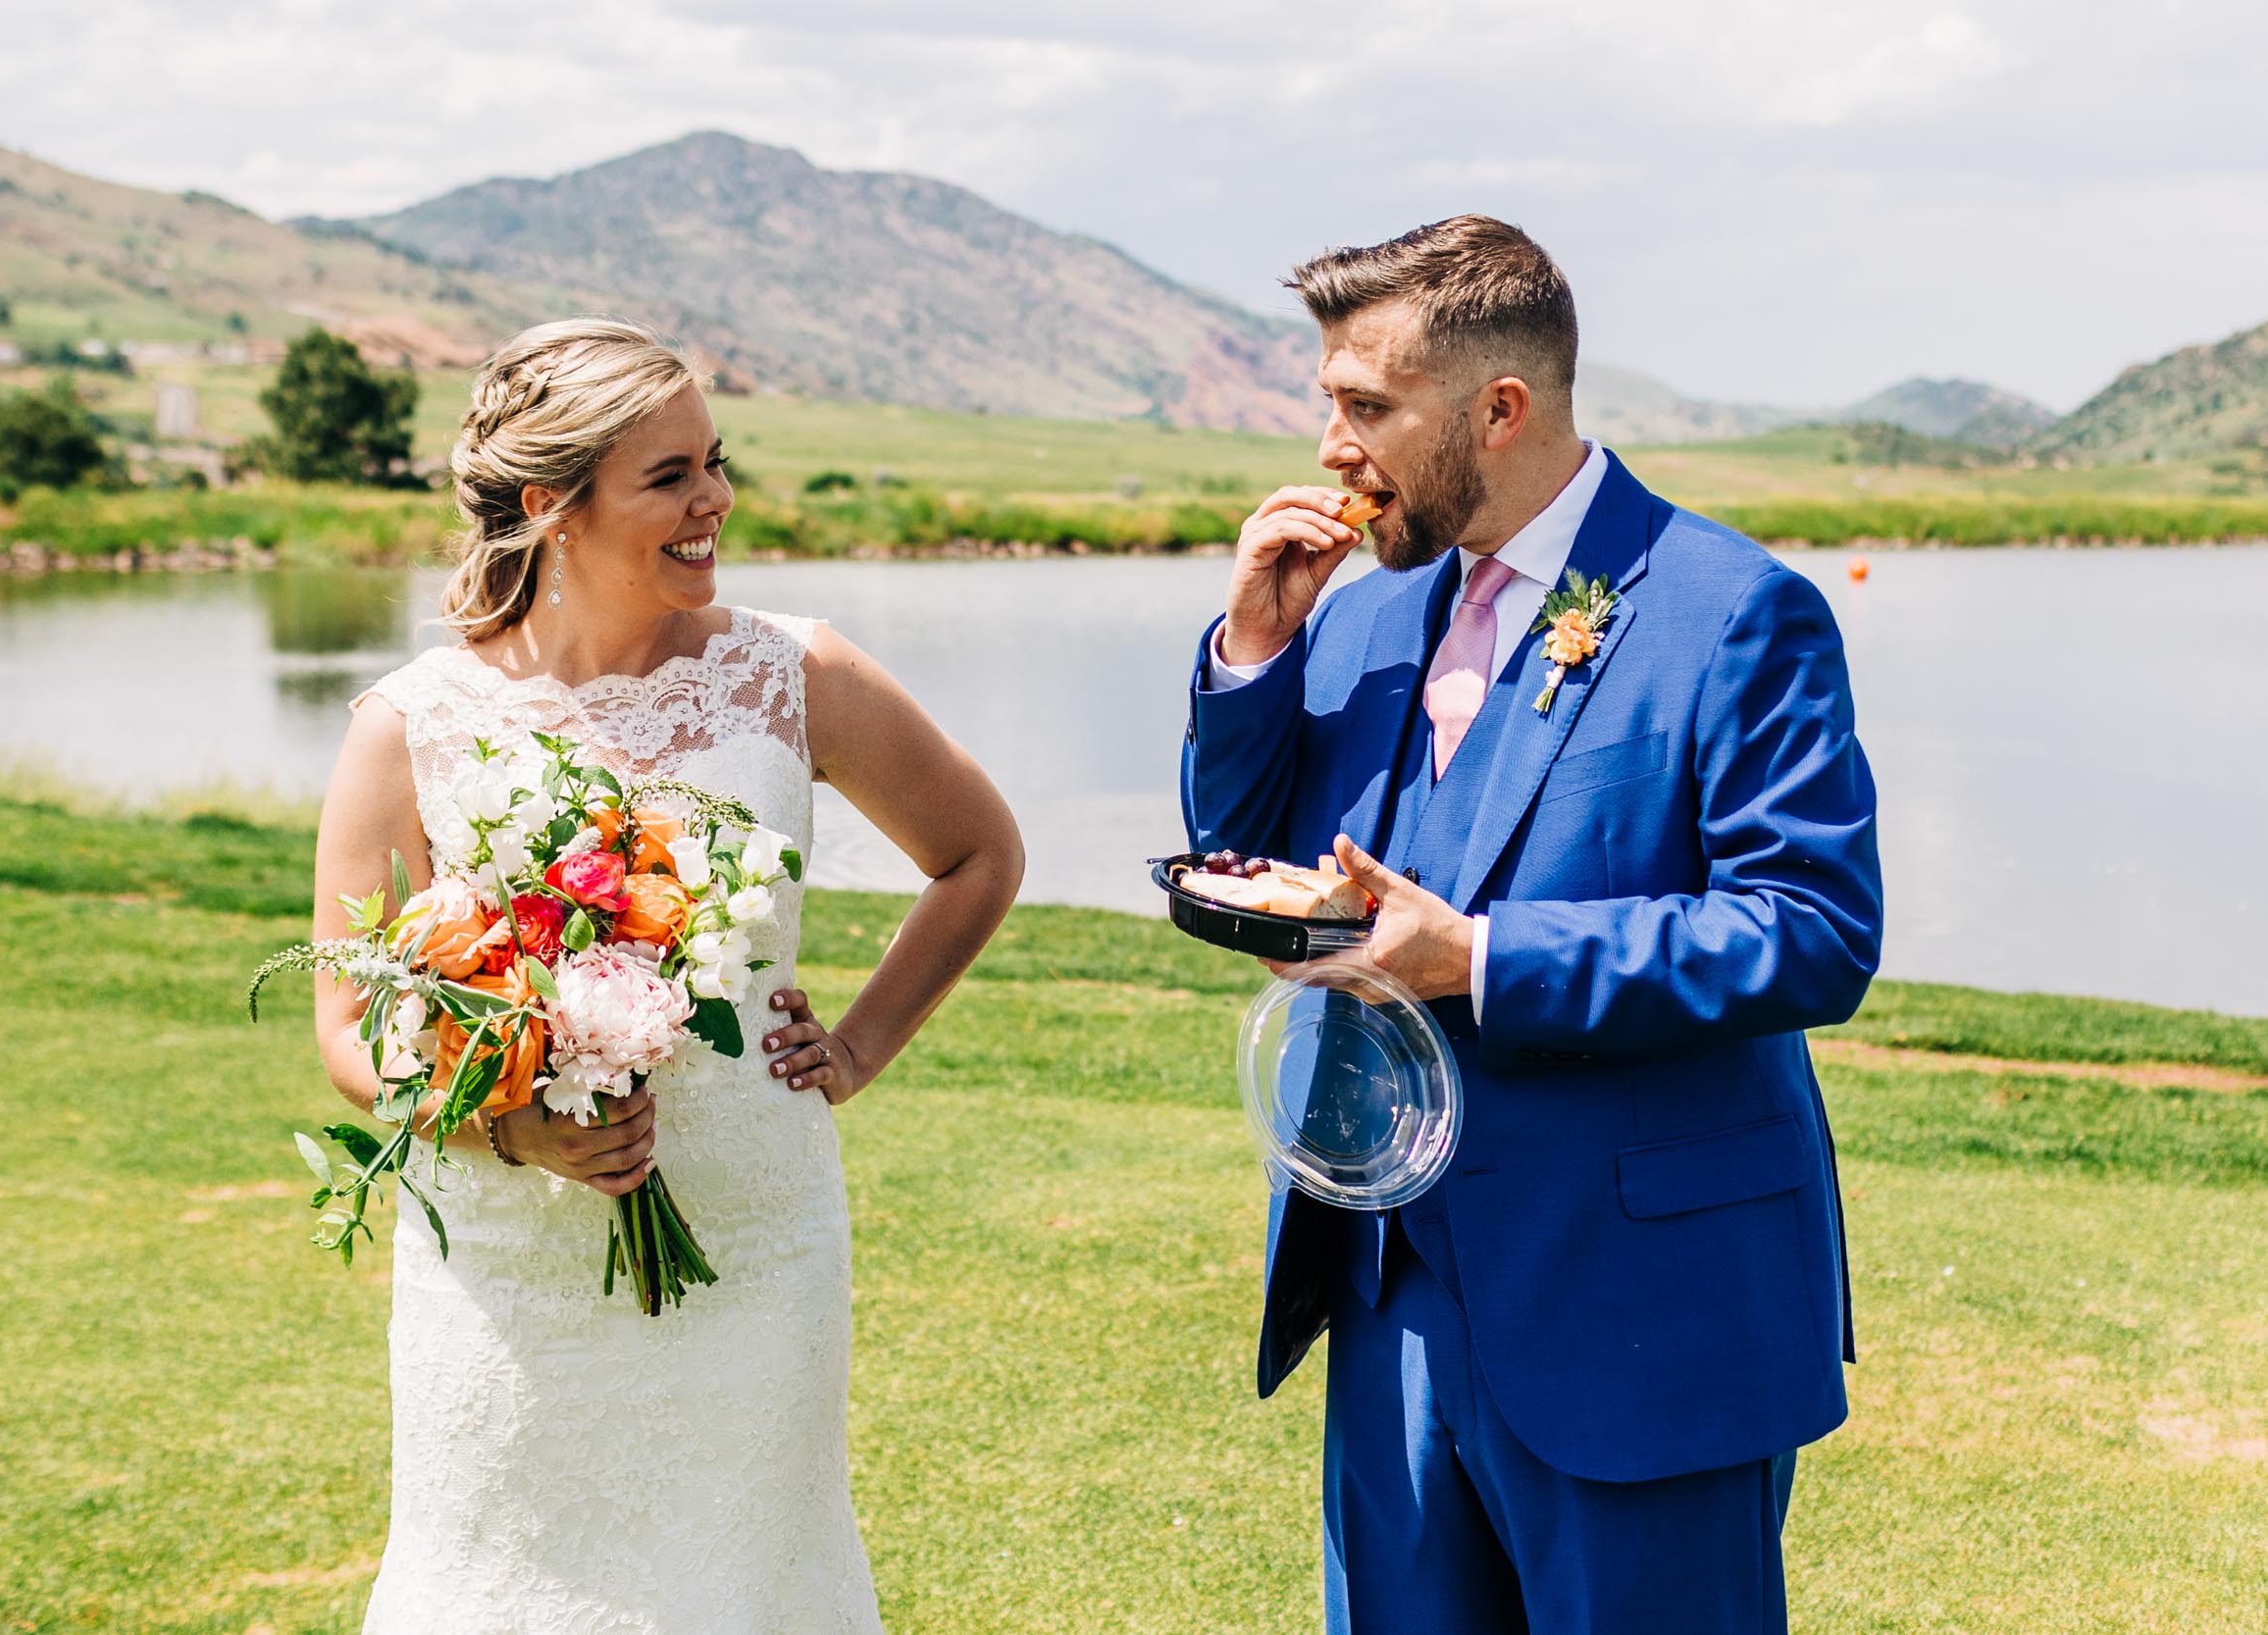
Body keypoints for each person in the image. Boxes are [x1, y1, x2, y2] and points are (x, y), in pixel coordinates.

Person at [1182, 218, 1882, 1634]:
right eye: (1328, 402)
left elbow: (1812, 928)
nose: (1331, 446)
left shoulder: (1733, 609)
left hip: (1645, 1313)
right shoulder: (1363, 615)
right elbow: (1247, 854)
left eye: (1367, 407)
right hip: (1389, 1291)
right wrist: (1253, 649)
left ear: (1500, 410)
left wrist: (1486, 963)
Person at [311, 317, 1022, 1633]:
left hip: (757, 1238)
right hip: (509, 1275)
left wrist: (858, 1046)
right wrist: (512, 1126)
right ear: (551, 507)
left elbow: (979, 853)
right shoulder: (408, 727)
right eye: (671, 477)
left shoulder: (792, 674)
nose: (716, 502)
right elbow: (349, 1027)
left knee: (750, 1580)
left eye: (715, 462)